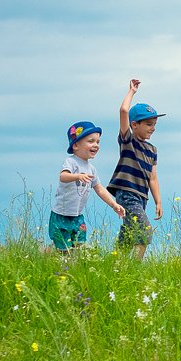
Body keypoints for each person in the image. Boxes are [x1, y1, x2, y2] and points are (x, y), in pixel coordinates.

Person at [107, 79, 165, 258]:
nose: (153, 128)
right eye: (148, 124)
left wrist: (158, 201)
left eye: (154, 124)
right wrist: (131, 91)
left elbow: (153, 178)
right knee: (145, 231)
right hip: (127, 193)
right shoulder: (128, 141)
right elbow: (123, 111)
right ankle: (134, 266)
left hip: (142, 197)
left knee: (128, 235)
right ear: (134, 125)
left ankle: (116, 264)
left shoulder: (152, 150)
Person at [49, 121, 126, 252]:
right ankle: (48, 253)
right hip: (61, 215)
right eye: (91, 141)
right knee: (63, 250)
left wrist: (114, 204)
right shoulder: (70, 162)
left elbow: (100, 189)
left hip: (77, 216)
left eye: (98, 142)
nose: (95, 145)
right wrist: (77, 176)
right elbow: (63, 176)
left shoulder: (91, 169)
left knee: (79, 245)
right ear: (76, 145)